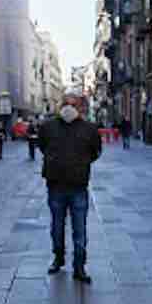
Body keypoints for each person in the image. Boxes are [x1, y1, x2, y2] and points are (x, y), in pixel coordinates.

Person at [38, 94, 101, 283]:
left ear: (80, 107)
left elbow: (96, 151)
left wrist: (81, 164)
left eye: (73, 104)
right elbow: (42, 146)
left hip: (78, 185)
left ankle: (79, 266)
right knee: (57, 226)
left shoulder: (89, 129)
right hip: (56, 185)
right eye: (65, 104)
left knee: (79, 228)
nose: (69, 107)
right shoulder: (48, 127)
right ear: (59, 105)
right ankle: (58, 257)